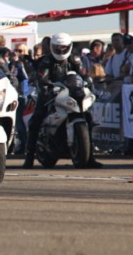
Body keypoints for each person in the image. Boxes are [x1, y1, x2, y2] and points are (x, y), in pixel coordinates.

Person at [22, 32, 100, 169]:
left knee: (88, 117)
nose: (61, 50)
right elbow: (42, 79)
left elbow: (84, 75)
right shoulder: (46, 61)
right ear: (52, 47)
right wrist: (46, 89)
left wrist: (90, 85)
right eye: (58, 47)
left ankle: (90, 157)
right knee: (36, 120)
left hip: (71, 93)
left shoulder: (75, 60)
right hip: (51, 94)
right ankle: (29, 158)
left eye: (64, 48)